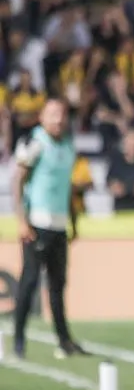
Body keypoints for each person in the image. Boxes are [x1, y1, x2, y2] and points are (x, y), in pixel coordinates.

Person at [9, 99, 89, 360]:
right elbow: (17, 181)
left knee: (58, 284)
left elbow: (67, 188)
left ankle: (64, 339)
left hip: (58, 223)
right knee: (30, 280)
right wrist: (22, 220)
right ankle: (19, 339)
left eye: (62, 115)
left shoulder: (68, 145)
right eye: (53, 114)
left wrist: (73, 223)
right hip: (37, 223)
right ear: (41, 117)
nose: (58, 120)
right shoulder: (35, 141)